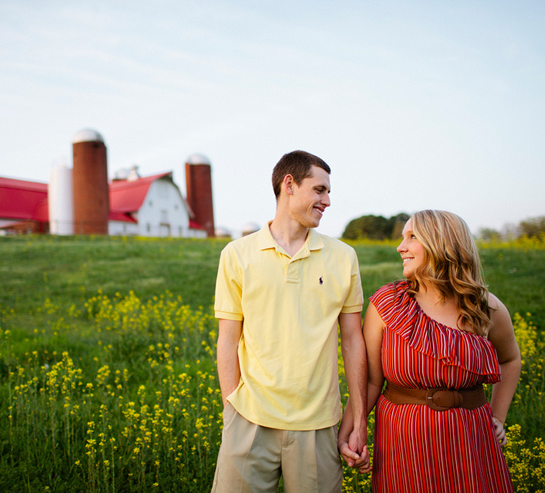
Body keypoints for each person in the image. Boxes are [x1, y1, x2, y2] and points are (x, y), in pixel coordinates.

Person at [211, 150, 368, 492]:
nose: (327, 200)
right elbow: (227, 338)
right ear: (289, 185)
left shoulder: (344, 257)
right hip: (249, 420)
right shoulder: (236, 255)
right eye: (320, 190)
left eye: (327, 192)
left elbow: (353, 339)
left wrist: (358, 418)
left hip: (318, 424)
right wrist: (231, 408)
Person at [340, 210, 521, 492]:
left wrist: (498, 417)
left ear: (442, 244)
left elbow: (510, 359)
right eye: (403, 237)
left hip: (472, 443)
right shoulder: (387, 305)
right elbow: (371, 381)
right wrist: (349, 431)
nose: (401, 247)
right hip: (404, 443)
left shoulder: (485, 307)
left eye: (412, 237)